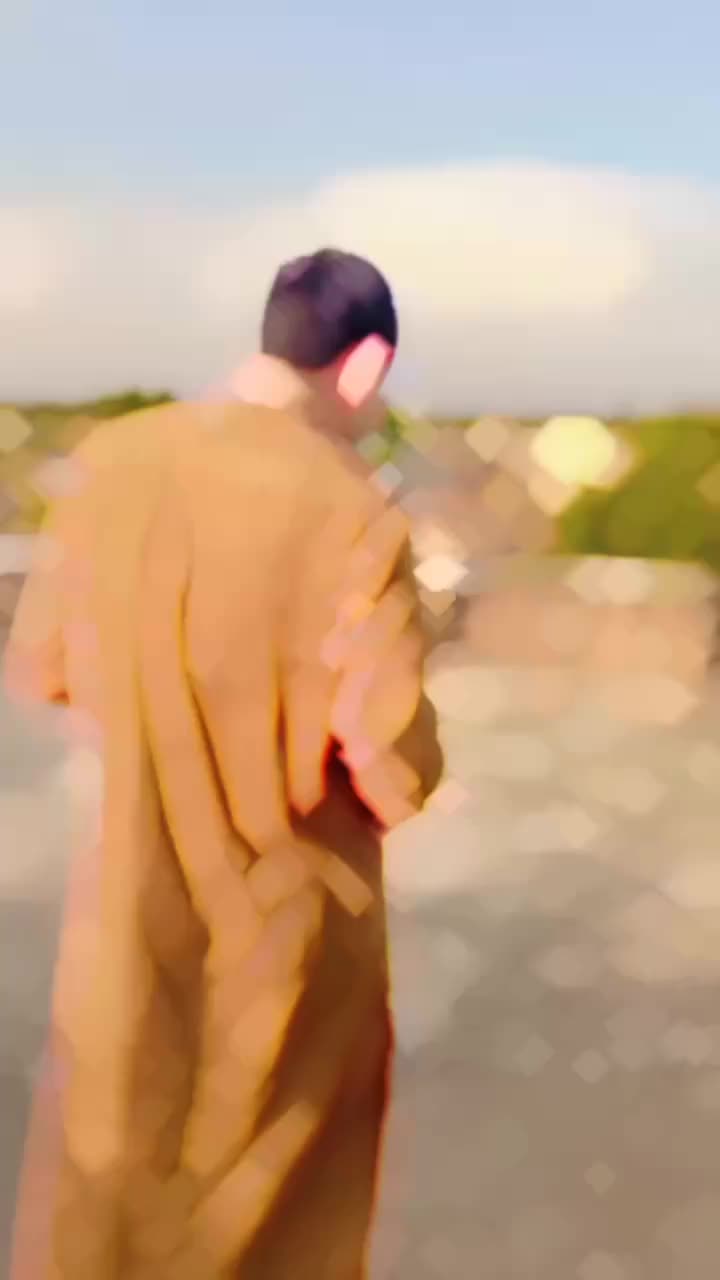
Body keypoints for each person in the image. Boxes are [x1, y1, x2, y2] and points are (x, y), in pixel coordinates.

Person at [4, 249, 443, 1278]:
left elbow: (44, 664)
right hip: (295, 925)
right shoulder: (351, 508)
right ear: (366, 363)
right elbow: (392, 762)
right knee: (272, 1214)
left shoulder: (116, 461)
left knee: (110, 1181)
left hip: (128, 905)